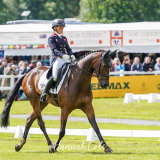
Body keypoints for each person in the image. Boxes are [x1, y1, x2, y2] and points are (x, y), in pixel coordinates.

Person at [40, 19, 76, 102]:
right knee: (55, 76)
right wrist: (62, 55)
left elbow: (68, 49)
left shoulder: (64, 38)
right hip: (57, 59)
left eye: (62, 27)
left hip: (66, 59)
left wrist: (72, 55)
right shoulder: (52, 38)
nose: (62, 29)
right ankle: (45, 92)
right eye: (60, 27)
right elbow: (54, 50)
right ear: (55, 28)